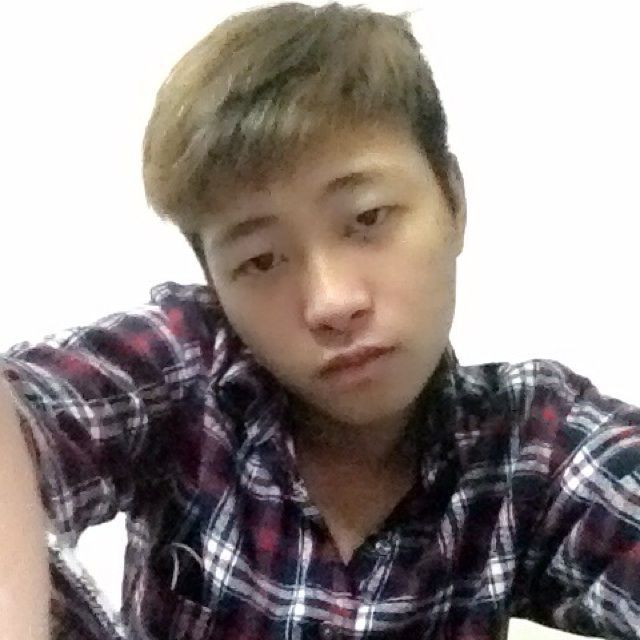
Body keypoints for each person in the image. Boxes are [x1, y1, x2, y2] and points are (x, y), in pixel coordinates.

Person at [0, 2, 638, 638]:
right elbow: (29, 410)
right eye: (260, 260)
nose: (331, 303)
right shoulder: (188, 371)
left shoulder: (530, 442)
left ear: (453, 200)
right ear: (214, 283)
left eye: (367, 218)